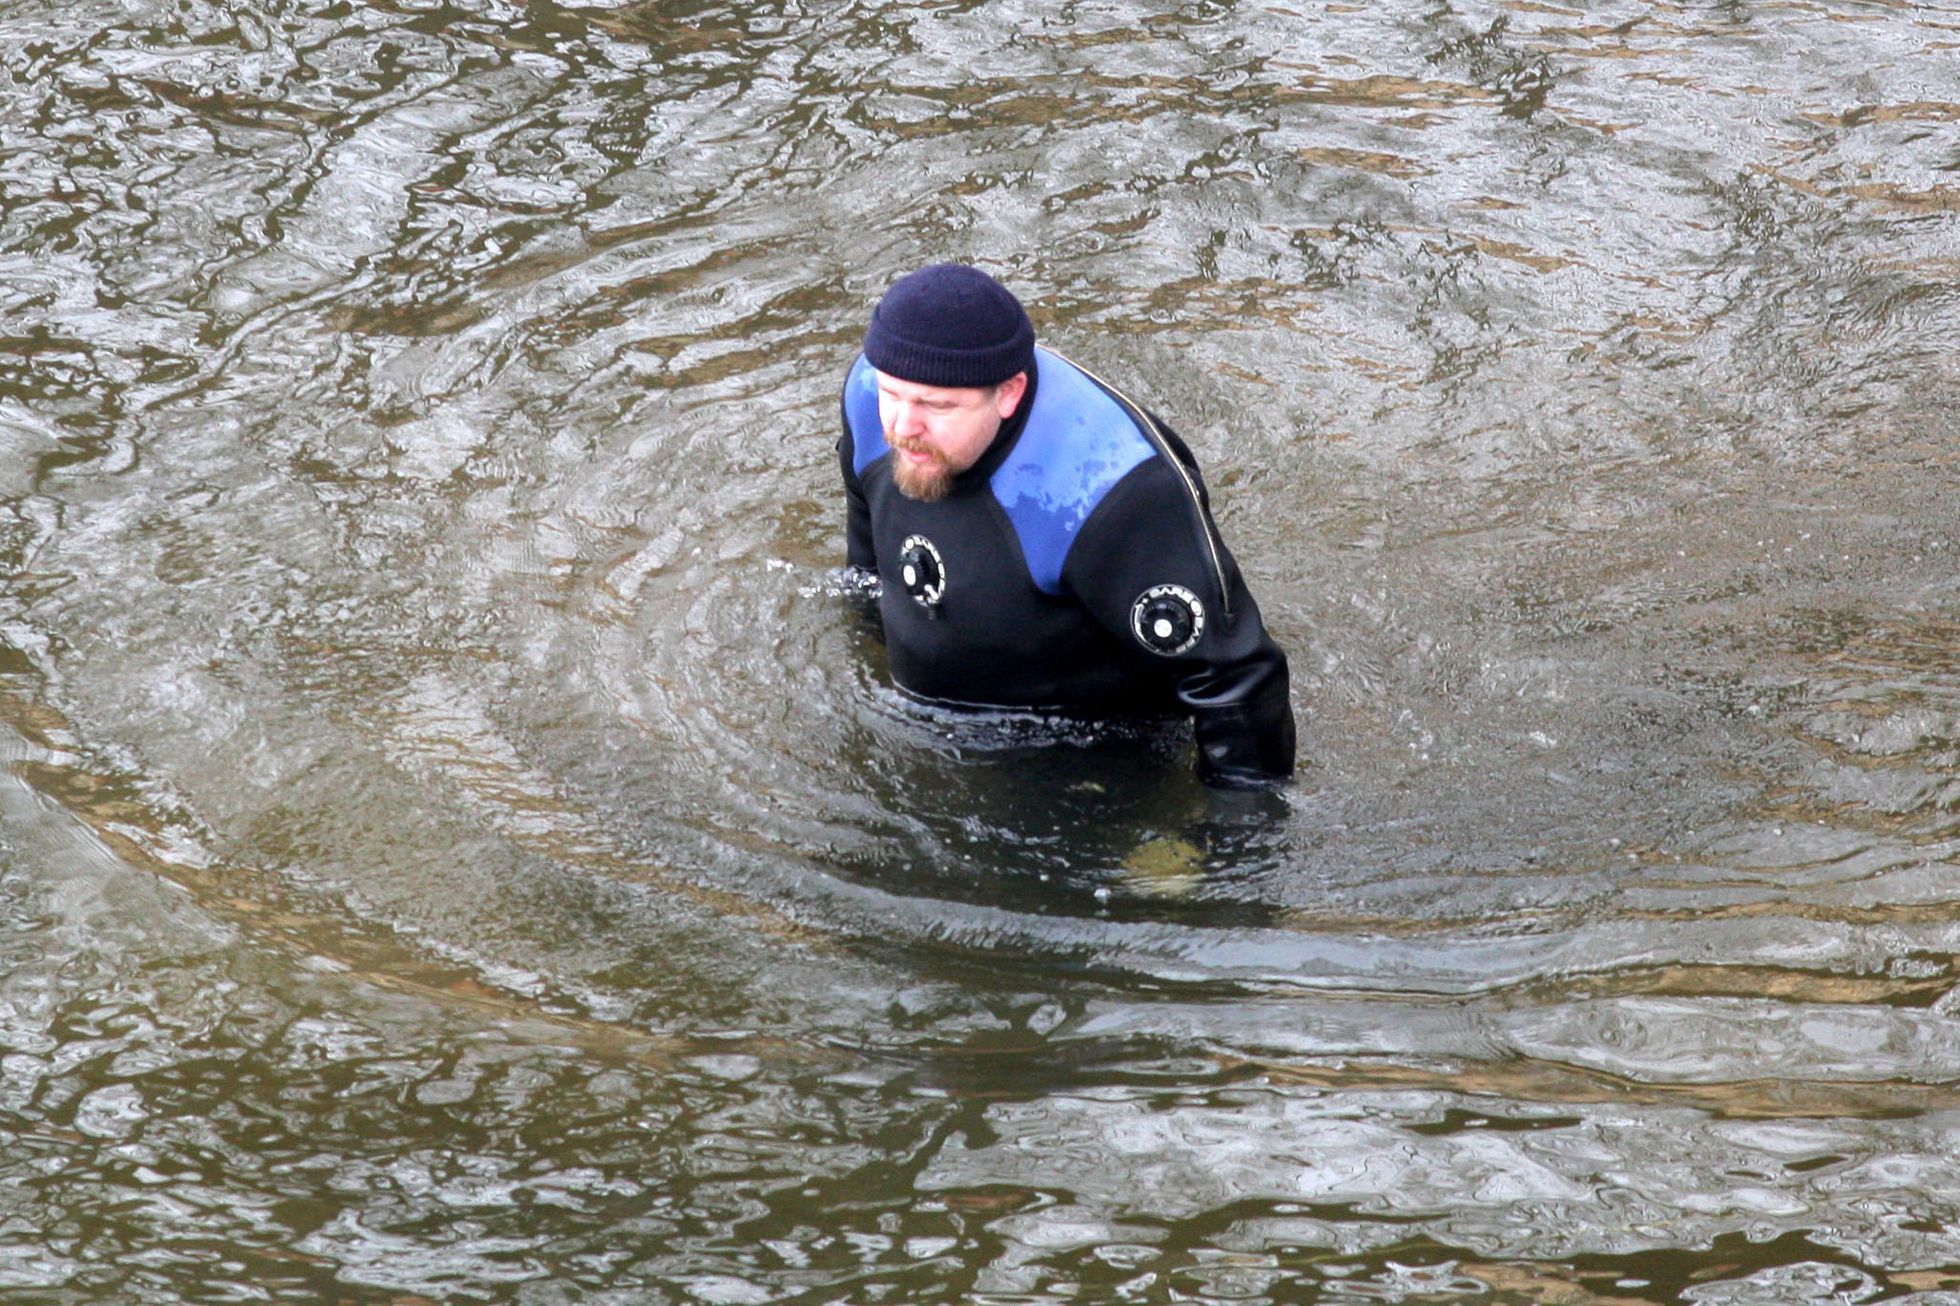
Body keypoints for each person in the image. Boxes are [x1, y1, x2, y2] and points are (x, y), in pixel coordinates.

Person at [836, 263, 1295, 789]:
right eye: (893, 394)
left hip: (1086, 754)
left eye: (937, 406)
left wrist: (1224, 849)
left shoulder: (1114, 490)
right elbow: (868, 562)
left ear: (1007, 394)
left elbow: (1237, 680)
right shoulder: (870, 393)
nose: (902, 427)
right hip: (923, 727)